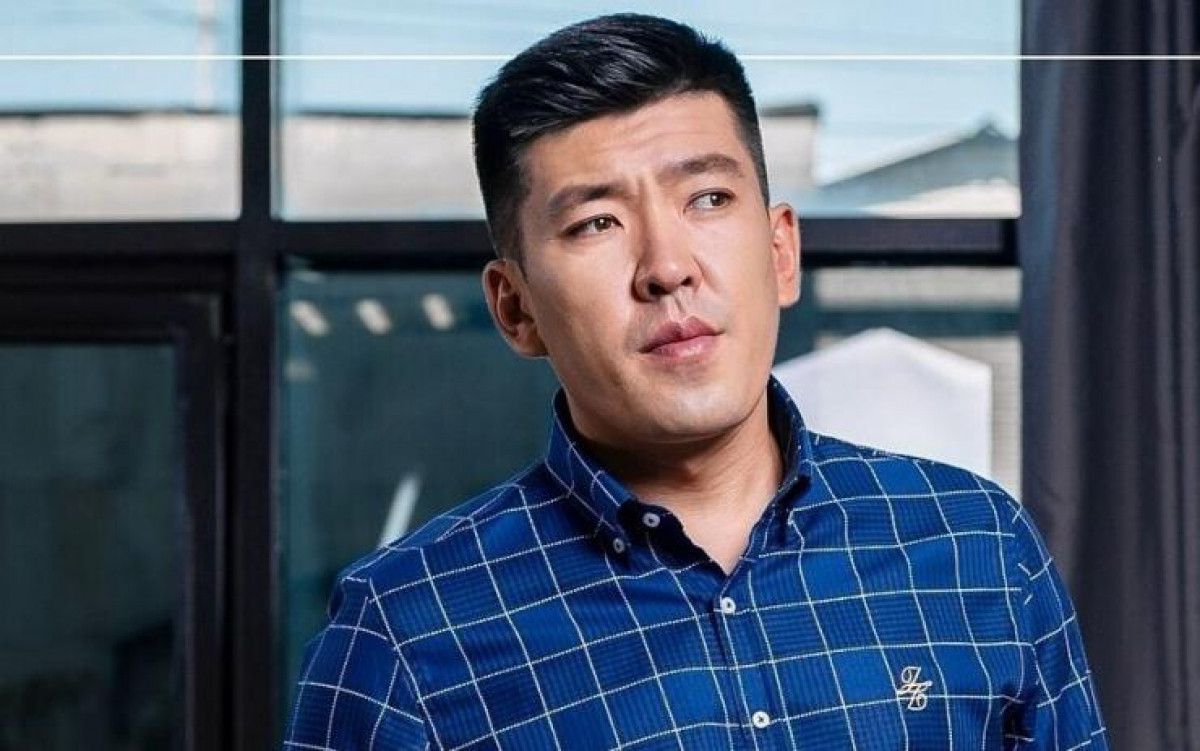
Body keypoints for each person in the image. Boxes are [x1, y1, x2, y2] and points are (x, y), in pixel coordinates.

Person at [284, 13, 1106, 750]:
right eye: (596, 222)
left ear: (780, 252)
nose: (667, 268)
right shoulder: (405, 634)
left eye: (708, 198)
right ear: (516, 307)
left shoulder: (975, 546)